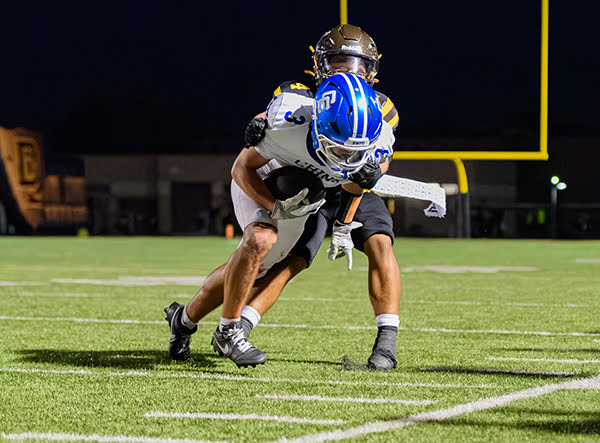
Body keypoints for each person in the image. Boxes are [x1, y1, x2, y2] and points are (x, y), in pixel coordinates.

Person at [166, 24, 401, 370]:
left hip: (331, 185)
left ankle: (185, 319)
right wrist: (274, 206)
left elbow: (359, 175)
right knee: (264, 249)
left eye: (356, 64)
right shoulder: (293, 115)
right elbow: (246, 159)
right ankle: (229, 329)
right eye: (337, 62)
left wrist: (344, 224)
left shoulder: (375, 126)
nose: (347, 71)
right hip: (287, 183)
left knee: (262, 264)